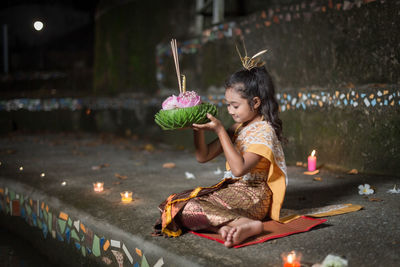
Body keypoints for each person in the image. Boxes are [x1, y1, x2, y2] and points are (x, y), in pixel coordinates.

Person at [153, 57, 287, 248]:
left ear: (255, 102)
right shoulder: (240, 126)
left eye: (235, 105)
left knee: (186, 207)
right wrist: (197, 127)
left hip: (255, 197)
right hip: (232, 191)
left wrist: (220, 130)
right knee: (174, 205)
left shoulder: (264, 131)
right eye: (228, 104)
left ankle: (248, 224)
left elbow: (239, 169)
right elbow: (203, 156)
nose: (230, 110)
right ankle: (225, 227)